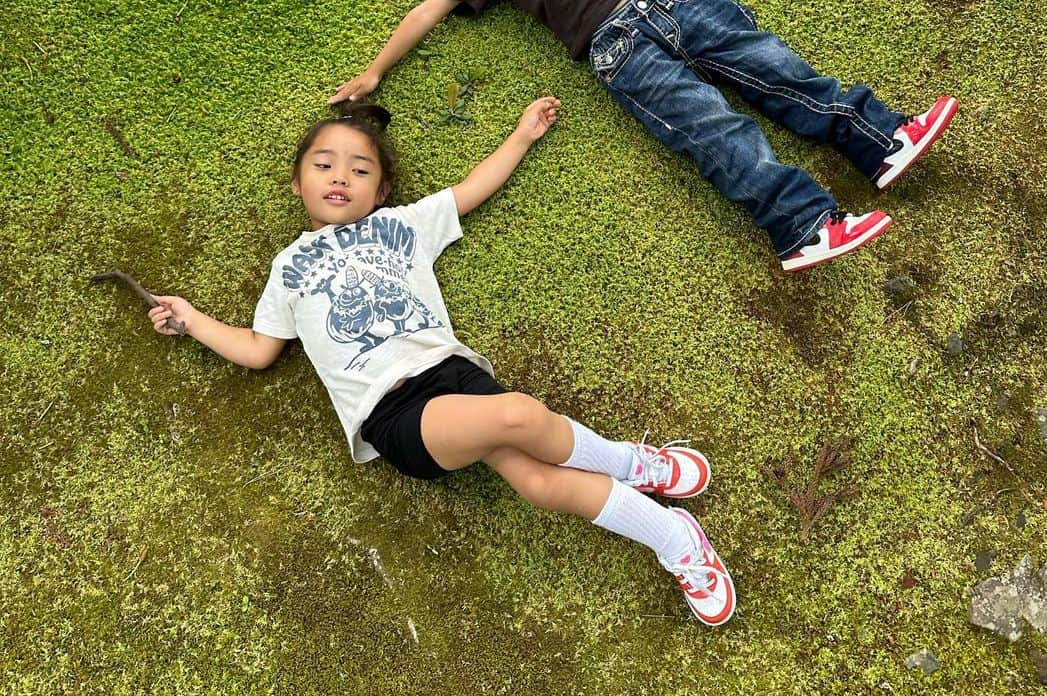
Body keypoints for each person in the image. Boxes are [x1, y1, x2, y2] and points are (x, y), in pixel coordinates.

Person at [147, 99, 736, 626]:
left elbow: (469, 191)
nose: (340, 177)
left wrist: (522, 136)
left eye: (359, 170)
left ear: (379, 192)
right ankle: (632, 464)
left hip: (454, 373)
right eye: (324, 165)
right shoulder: (286, 269)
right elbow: (258, 349)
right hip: (392, 413)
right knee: (517, 418)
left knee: (537, 480)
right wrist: (193, 320)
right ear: (298, 182)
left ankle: (672, 537)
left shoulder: (399, 225)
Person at [332, 0, 958, 272]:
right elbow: (425, 12)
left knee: (775, 69)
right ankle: (805, 226)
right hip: (617, 51)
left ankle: (882, 140)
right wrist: (375, 72)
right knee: (715, 131)